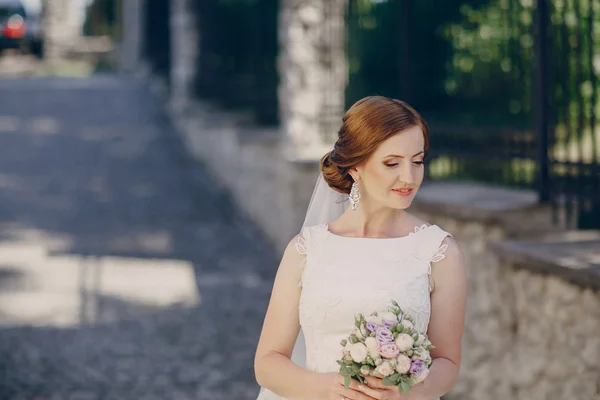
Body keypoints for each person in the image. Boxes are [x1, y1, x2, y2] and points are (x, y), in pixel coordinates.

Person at [254, 96, 467, 400]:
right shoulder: (307, 250)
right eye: (392, 163)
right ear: (355, 167)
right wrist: (322, 388)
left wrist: (409, 394)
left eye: (417, 161)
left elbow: (448, 362)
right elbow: (267, 363)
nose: (409, 177)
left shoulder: (438, 253)